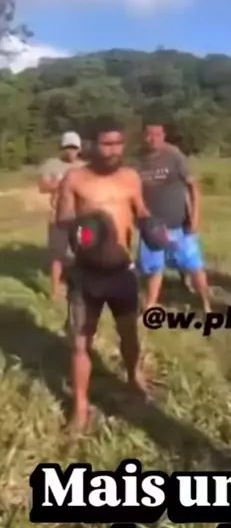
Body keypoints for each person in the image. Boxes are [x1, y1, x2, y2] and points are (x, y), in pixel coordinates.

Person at [56, 116, 151, 432]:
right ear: (91, 145)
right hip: (87, 273)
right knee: (80, 343)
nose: (114, 150)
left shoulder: (130, 177)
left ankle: (134, 378)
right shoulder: (74, 178)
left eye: (119, 143)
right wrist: (84, 230)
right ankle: (80, 407)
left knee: (129, 333)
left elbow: (140, 210)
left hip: (122, 271)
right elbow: (64, 219)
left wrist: (152, 227)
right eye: (107, 144)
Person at [137, 121, 211, 313]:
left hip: (179, 224)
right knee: (154, 268)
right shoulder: (138, 159)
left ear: (163, 135)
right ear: (143, 136)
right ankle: (150, 306)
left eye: (157, 134)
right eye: (149, 134)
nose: (152, 139)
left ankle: (206, 305)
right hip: (151, 226)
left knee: (194, 266)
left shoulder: (174, 156)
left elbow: (193, 187)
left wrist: (195, 216)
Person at [37, 131, 84, 298]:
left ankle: (81, 287)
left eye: (74, 148)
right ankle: (55, 291)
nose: (71, 151)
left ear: (79, 149)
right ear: (62, 148)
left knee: (83, 252)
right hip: (57, 216)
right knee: (57, 254)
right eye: (67, 147)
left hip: (81, 217)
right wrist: (59, 184)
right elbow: (42, 187)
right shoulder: (51, 165)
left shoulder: (85, 167)